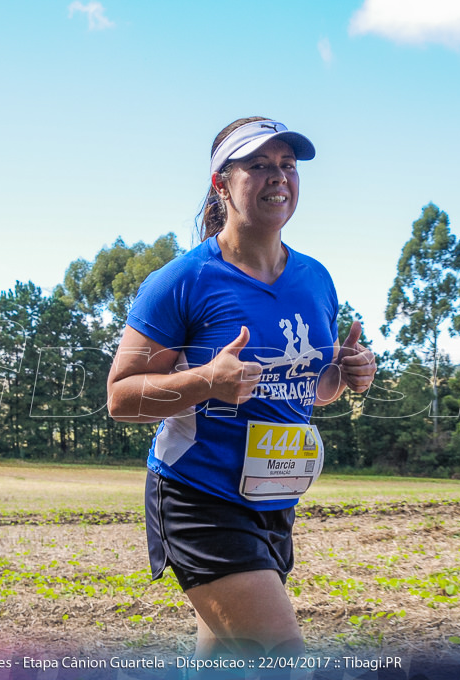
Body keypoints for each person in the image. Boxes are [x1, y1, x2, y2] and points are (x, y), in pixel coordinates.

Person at [106, 117, 376, 662]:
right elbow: (121, 396)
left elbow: (307, 390)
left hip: (273, 499)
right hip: (197, 496)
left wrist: (345, 375)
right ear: (221, 183)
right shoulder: (183, 281)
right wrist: (206, 381)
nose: (278, 177)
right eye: (258, 165)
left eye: (287, 166)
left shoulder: (316, 279)